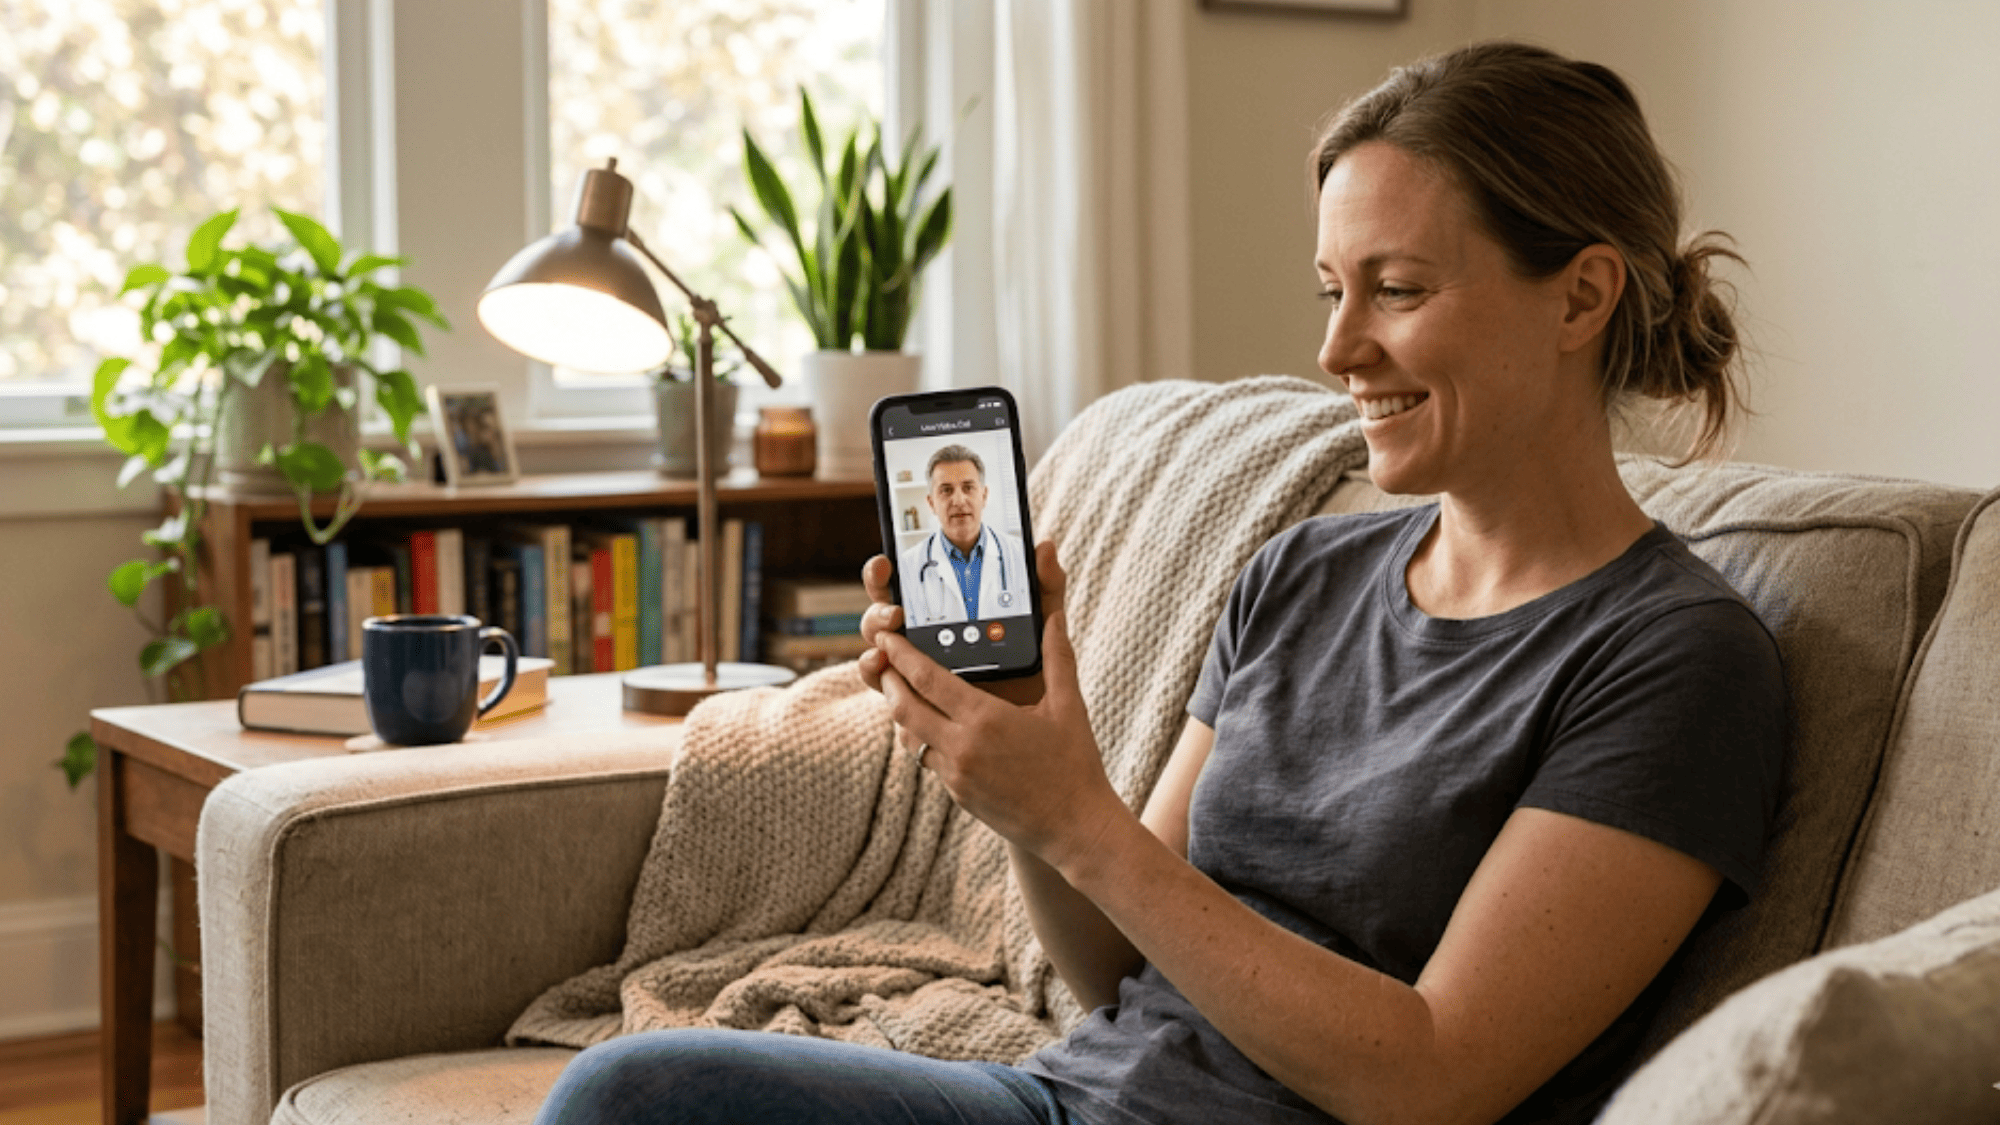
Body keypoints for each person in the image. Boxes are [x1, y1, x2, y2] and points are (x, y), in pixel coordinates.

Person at [533, 40, 1787, 1125]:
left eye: (1396, 291)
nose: (1336, 349)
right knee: (631, 1092)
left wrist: (1084, 819)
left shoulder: (1671, 657)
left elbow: (1431, 1082)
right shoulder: (1300, 572)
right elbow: (1117, 977)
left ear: (1579, 296)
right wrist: (1032, 785)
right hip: (1067, 1097)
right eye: (1331, 291)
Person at [897, 444, 1033, 626]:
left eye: (968, 488)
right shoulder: (907, 566)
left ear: (984, 496)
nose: (959, 501)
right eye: (946, 490)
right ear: (931, 503)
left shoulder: (1021, 554)